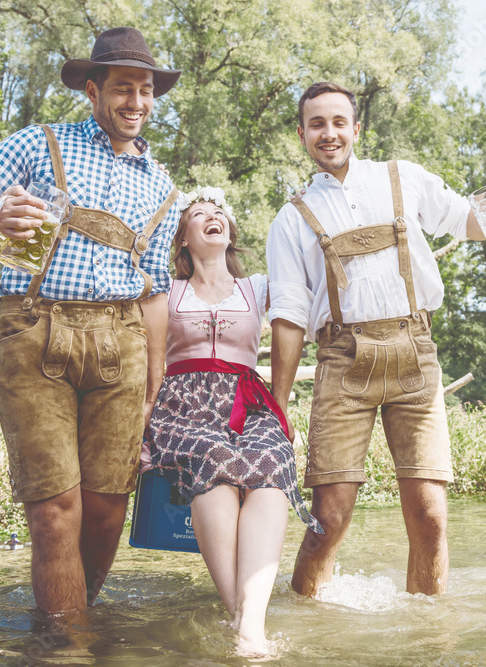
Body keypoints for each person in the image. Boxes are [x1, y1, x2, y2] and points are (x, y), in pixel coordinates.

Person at [0, 27, 181, 615]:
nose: (135, 102)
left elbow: (157, 291)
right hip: (34, 334)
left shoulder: (164, 186)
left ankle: (68, 620)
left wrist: (154, 383)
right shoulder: (38, 146)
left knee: (109, 507)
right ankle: (68, 649)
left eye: (144, 90)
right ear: (93, 90)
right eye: (122, 88)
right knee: (55, 511)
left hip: (125, 341)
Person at [266, 82, 486, 597]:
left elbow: (467, 220)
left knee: (430, 517)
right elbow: (289, 316)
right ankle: (303, 629)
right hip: (342, 363)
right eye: (317, 124)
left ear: (356, 129)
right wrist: (278, 405)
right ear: (301, 135)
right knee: (329, 518)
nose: (329, 133)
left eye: (339, 121)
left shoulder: (402, 178)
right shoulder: (290, 218)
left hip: (415, 353)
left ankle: (429, 639)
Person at [144, 187, 323, 655]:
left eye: (219, 211)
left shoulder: (258, 287)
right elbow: (150, 364)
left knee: (271, 463)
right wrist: (141, 423)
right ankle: (242, 619)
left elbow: (304, 286)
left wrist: (305, 209)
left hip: (247, 399)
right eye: (199, 214)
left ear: (230, 231)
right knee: (214, 459)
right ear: (182, 238)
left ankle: (249, 624)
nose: (212, 216)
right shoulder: (166, 291)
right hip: (183, 404)